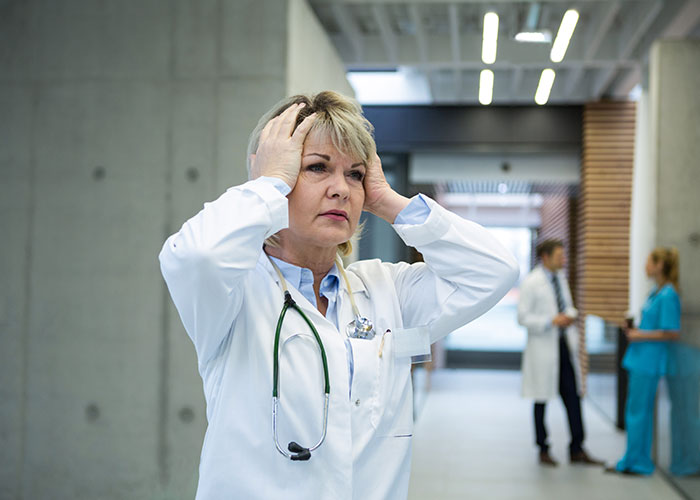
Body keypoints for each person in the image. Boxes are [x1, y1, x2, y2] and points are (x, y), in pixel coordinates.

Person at [159, 91, 519, 499]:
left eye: (355, 174)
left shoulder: (388, 290)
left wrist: (385, 199)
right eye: (316, 167)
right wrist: (267, 185)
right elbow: (196, 256)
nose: (342, 190)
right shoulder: (234, 293)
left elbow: (495, 270)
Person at [518, 239, 602, 467]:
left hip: (563, 346)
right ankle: (543, 448)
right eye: (559, 256)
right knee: (541, 398)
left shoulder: (560, 279)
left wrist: (569, 315)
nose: (563, 260)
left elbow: (568, 306)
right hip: (543, 346)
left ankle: (577, 448)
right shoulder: (531, 282)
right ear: (545, 257)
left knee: (573, 398)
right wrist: (550, 321)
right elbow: (522, 318)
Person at [608, 247, 681, 476]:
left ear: (659, 265)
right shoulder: (656, 292)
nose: (645, 266)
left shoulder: (668, 294)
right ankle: (633, 459)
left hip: (649, 361)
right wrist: (637, 331)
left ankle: (638, 462)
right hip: (640, 358)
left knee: (639, 412)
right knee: (636, 411)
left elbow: (672, 332)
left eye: (649, 262)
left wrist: (640, 335)